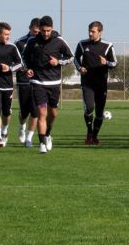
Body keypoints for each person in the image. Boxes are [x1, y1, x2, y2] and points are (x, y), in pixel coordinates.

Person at [22, 15, 73, 154]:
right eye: (43, 30)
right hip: (38, 82)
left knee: (53, 113)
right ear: (39, 30)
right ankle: (42, 143)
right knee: (42, 113)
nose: (45, 33)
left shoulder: (59, 41)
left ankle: (48, 134)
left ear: (52, 29)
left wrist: (58, 62)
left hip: (54, 83)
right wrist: (29, 69)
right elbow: (24, 57)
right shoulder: (33, 41)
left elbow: (70, 57)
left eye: (48, 30)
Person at [74, 21, 117, 145]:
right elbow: (76, 58)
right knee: (89, 108)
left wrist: (106, 63)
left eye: (93, 31)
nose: (90, 33)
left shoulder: (108, 45)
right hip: (87, 83)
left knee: (99, 112)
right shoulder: (82, 44)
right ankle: (89, 132)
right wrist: (79, 68)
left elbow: (114, 63)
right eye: (89, 31)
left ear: (100, 32)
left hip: (101, 84)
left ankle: (95, 136)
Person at [15, 18, 40, 148]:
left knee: (35, 112)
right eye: (35, 32)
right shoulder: (19, 43)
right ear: (30, 29)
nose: (37, 34)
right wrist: (24, 69)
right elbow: (14, 61)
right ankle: (21, 127)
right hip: (23, 81)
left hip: (38, 81)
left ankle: (29, 138)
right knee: (24, 112)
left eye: (39, 32)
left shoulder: (43, 42)